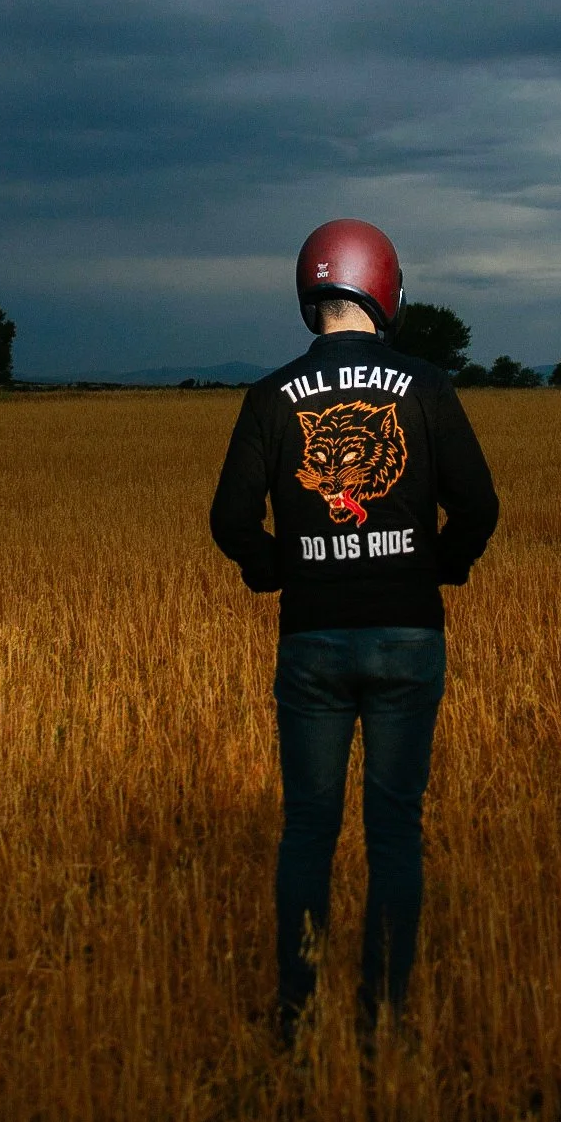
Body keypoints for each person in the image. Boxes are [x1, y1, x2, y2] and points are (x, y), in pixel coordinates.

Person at [209, 218, 499, 1044]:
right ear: (384, 286)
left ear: (312, 293)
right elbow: (479, 505)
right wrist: (441, 563)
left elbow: (229, 518)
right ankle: (381, 1017)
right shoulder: (428, 387)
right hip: (408, 634)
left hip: (312, 638)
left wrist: (274, 569)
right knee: (394, 827)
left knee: (308, 825)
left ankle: (295, 1016)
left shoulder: (269, 397)